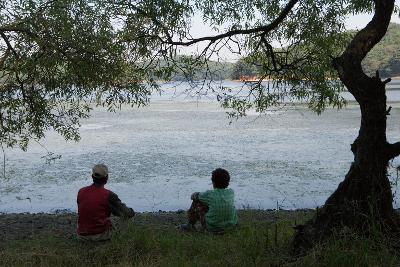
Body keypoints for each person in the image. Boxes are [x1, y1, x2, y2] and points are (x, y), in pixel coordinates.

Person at [76, 164, 135, 241]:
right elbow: (126, 212)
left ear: (92, 176)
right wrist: (130, 211)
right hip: (99, 235)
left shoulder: (81, 191)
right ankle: (122, 239)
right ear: (106, 178)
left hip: (81, 235)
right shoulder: (108, 195)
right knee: (128, 216)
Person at [181, 168, 238, 233]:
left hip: (213, 228)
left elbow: (193, 196)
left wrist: (198, 195)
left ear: (213, 182)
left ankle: (190, 225)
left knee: (196, 201)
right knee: (213, 204)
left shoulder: (210, 194)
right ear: (228, 182)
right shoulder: (231, 192)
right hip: (231, 226)